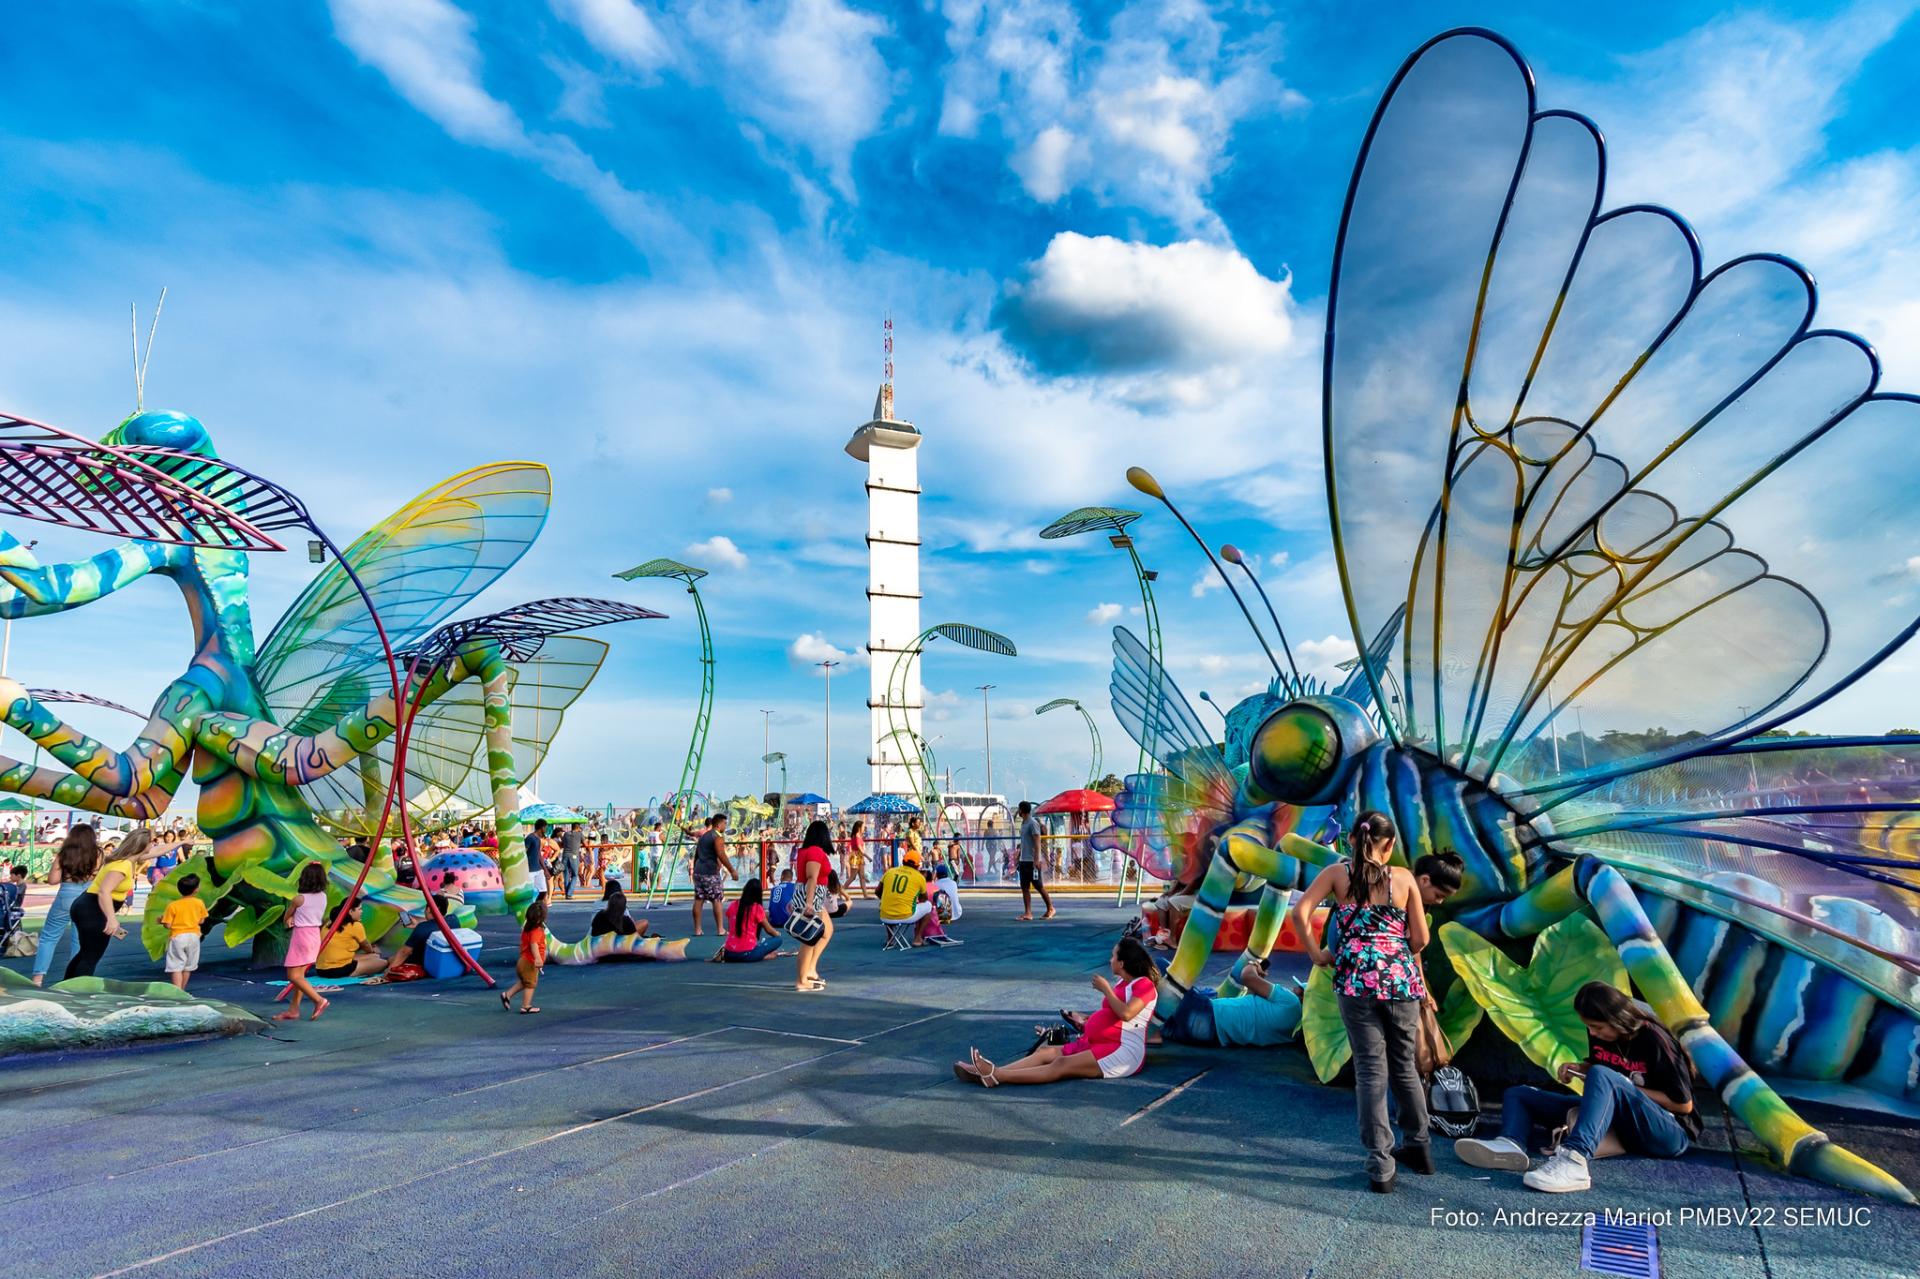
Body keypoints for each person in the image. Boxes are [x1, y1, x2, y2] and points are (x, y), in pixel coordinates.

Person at [1288, 810, 1431, 1193]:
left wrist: (1317, 954)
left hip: (1354, 984)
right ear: (1390, 844)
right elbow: (1421, 939)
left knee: (1371, 1072)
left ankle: (1380, 1166)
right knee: (1405, 1068)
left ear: (1352, 840)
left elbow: (1301, 912)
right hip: (1401, 983)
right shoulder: (1402, 878)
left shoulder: (1338, 874)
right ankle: (1419, 1147)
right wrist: (1396, 951)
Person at [1457, 982, 1701, 1193]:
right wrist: (1577, 1068)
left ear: (1618, 1020)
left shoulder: (1654, 1038)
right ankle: (1510, 1145)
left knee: (1604, 1076)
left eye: (1598, 1027)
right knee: (1519, 1094)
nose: (1593, 1032)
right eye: (1590, 1027)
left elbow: (1683, 1104)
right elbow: (1601, 1066)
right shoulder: (1600, 1032)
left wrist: (1620, 1085)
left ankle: (1575, 1161)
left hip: (1668, 1132)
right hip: (1619, 1120)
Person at [959, 939, 1157, 1086]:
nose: (1110, 959)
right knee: (1047, 1052)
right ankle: (992, 1072)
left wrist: (1105, 989)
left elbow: (1127, 1014)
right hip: (1101, 1042)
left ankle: (996, 1075)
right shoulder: (1124, 983)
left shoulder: (1145, 985)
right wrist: (1086, 1020)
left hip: (1122, 1051)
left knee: (1061, 1064)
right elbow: (1113, 1016)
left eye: (1113, 956)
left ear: (1122, 963)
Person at [65, 828, 167, 980]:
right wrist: (111, 919)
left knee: (86, 953)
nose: (155, 844)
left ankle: (67, 986)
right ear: (142, 845)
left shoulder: (129, 859)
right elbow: (104, 891)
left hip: (89, 907)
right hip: (93, 910)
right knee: (91, 956)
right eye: (152, 841)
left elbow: (158, 851)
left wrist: (182, 842)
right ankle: (77, 992)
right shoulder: (123, 865)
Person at [1152, 955, 1301, 1048]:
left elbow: (1247, 976)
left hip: (1206, 1015)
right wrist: (1258, 983)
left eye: (1300, 988)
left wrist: (1254, 964)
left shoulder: (1292, 1002)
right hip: (1208, 1037)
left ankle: (1152, 1034)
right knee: (1162, 1014)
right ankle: (1153, 1033)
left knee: (1158, 965)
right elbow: (1250, 1007)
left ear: (1305, 997)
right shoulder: (1292, 1031)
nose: (1295, 989)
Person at [32, 825, 99, 985]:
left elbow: (52, 880)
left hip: (66, 895)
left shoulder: (64, 854)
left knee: (49, 937)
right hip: (87, 897)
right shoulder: (98, 854)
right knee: (79, 940)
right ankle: (73, 979)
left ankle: (38, 978)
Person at [276, 861, 331, 1021]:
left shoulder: (299, 899)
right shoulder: (323, 897)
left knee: (293, 976)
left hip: (301, 936)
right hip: (315, 935)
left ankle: (319, 1000)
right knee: (300, 976)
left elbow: (287, 916)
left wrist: (289, 919)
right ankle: (294, 1010)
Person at [791, 819, 835, 992]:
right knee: (809, 938)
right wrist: (809, 903)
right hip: (812, 896)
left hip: (813, 895)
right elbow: (811, 878)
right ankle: (802, 980)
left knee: (827, 930)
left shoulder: (806, 851)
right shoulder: (815, 852)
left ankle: (810, 969)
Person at [313, 897, 389, 979]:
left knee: (374, 957)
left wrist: (373, 954)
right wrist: (373, 951)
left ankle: (357, 967)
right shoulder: (355, 925)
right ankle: (351, 973)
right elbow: (366, 945)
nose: (362, 912)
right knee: (383, 962)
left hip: (320, 969)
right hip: (336, 970)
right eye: (359, 909)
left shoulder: (330, 922)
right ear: (351, 911)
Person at [720, 877, 791, 962]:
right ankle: (763, 956)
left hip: (729, 954)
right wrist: (777, 933)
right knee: (778, 940)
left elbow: (731, 928)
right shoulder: (756, 908)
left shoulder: (733, 905)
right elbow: (769, 930)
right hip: (748, 954)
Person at [159, 872, 209, 989]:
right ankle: (183, 989)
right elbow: (201, 921)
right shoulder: (199, 903)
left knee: (176, 965)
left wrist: (161, 921)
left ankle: (178, 992)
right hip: (194, 936)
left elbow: (167, 925)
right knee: (188, 966)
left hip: (178, 936)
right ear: (196, 890)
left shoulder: (173, 905)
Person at [690, 812, 736, 937]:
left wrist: (694, 869)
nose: (726, 826)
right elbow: (721, 854)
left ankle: (697, 930)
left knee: (699, 899)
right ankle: (720, 929)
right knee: (717, 899)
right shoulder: (717, 837)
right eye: (725, 823)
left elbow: (697, 854)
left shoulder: (704, 836)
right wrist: (732, 870)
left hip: (699, 871)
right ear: (719, 824)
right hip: (710, 872)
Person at [877, 851, 937, 946]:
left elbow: (877, 891)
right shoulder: (919, 877)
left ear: (903, 861)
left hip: (885, 916)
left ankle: (890, 939)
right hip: (906, 915)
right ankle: (917, 938)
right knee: (928, 906)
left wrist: (886, 900)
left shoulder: (890, 872)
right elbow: (924, 898)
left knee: (887, 904)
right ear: (917, 865)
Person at [383, 894, 451, 975]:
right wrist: (418, 925)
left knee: (391, 959)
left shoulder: (422, 928)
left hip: (421, 964)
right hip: (442, 962)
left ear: (428, 909)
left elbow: (404, 952)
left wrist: (389, 972)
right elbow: (435, 925)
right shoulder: (453, 920)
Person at [502, 899, 547, 1013]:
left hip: (523, 961)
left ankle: (507, 995)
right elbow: (534, 945)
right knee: (530, 984)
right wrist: (537, 958)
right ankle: (526, 1006)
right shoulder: (536, 931)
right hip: (529, 962)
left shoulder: (527, 928)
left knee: (524, 982)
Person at [1015, 801, 1055, 920]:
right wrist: (1019, 857)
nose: (1018, 811)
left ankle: (1050, 908)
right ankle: (1028, 913)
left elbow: (1037, 842)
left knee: (1038, 886)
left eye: (1018, 809)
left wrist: (1036, 859)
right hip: (1024, 860)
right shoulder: (1023, 824)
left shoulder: (1032, 823)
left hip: (1032, 861)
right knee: (1025, 887)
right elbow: (1024, 843)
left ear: (1022, 810)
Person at [845, 820, 872, 899]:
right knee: (852, 877)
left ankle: (865, 895)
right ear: (859, 827)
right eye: (863, 827)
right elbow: (860, 849)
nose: (864, 828)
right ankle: (841, 890)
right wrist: (868, 857)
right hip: (856, 857)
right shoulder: (856, 836)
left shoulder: (858, 836)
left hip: (859, 857)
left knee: (862, 876)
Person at [523, 819, 550, 898]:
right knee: (530, 893)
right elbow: (523, 852)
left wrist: (545, 870)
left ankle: (538, 908)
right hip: (530, 870)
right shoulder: (530, 838)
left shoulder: (538, 839)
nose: (546, 830)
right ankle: (531, 908)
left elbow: (539, 854)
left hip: (538, 869)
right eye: (546, 828)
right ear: (542, 828)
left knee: (543, 892)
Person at [559, 822, 585, 900]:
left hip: (565, 856)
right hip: (574, 856)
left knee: (566, 875)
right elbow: (586, 844)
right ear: (578, 828)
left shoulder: (566, 834)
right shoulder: (580, 834)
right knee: (574, 875)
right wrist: (579, 845)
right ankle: (569, 893)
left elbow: (563, 843)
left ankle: (567, 894)